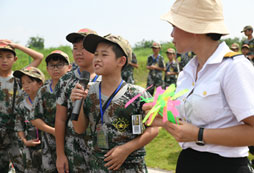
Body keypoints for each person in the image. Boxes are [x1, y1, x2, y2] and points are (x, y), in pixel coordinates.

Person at [143, 0, 254, 173]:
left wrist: (199, 135)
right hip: (189, 161)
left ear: (193, 29)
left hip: (224, 167)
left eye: (175, 26)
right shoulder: (187, 72)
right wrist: (163, 117)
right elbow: (189, 124)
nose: (171, 34)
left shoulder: (233, 67)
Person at [70, 33, 159, 172]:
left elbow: (154, 127)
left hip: (130, 167)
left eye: (104, 55)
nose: (97, 59)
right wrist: (78, 102)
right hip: (98, 167)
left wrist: (126, 149)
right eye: (96, 54)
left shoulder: (137, 94)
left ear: (121, 61)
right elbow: (79, 128)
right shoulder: (88, 92)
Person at [55, 28, 100, 173]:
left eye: (84, 48)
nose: (79, 52)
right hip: (74, 153)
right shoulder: (65, 80)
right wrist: (60, 155)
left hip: (102, 152)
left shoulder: (106, 78)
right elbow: (60, 119)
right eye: (75, 48)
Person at [0, 40, 43, 173]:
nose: (4, 60)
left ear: (15, 59)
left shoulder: (19, 79)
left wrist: (17, 45)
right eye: (0, 57)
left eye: (8, 56)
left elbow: (39, 57)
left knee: (22, 167)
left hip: (15, 133)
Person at [30, 50, 71, 173]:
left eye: (60, 65)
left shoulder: (74, 89)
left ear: (69, 67)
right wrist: (54, 131)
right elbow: (34, 119)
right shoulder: (43, 92)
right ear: (47, 69)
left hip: (71, 142)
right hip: (49, 143)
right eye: (52, 66)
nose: (56, 69)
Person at [14, 66, 45, 173]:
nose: (25, 86)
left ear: (40, 83)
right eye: (23, 83)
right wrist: (25, 141)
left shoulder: (46, 102)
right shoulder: (22, 105)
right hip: (29, 150)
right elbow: (19, 126)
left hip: (47, 148)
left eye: (29, 82)